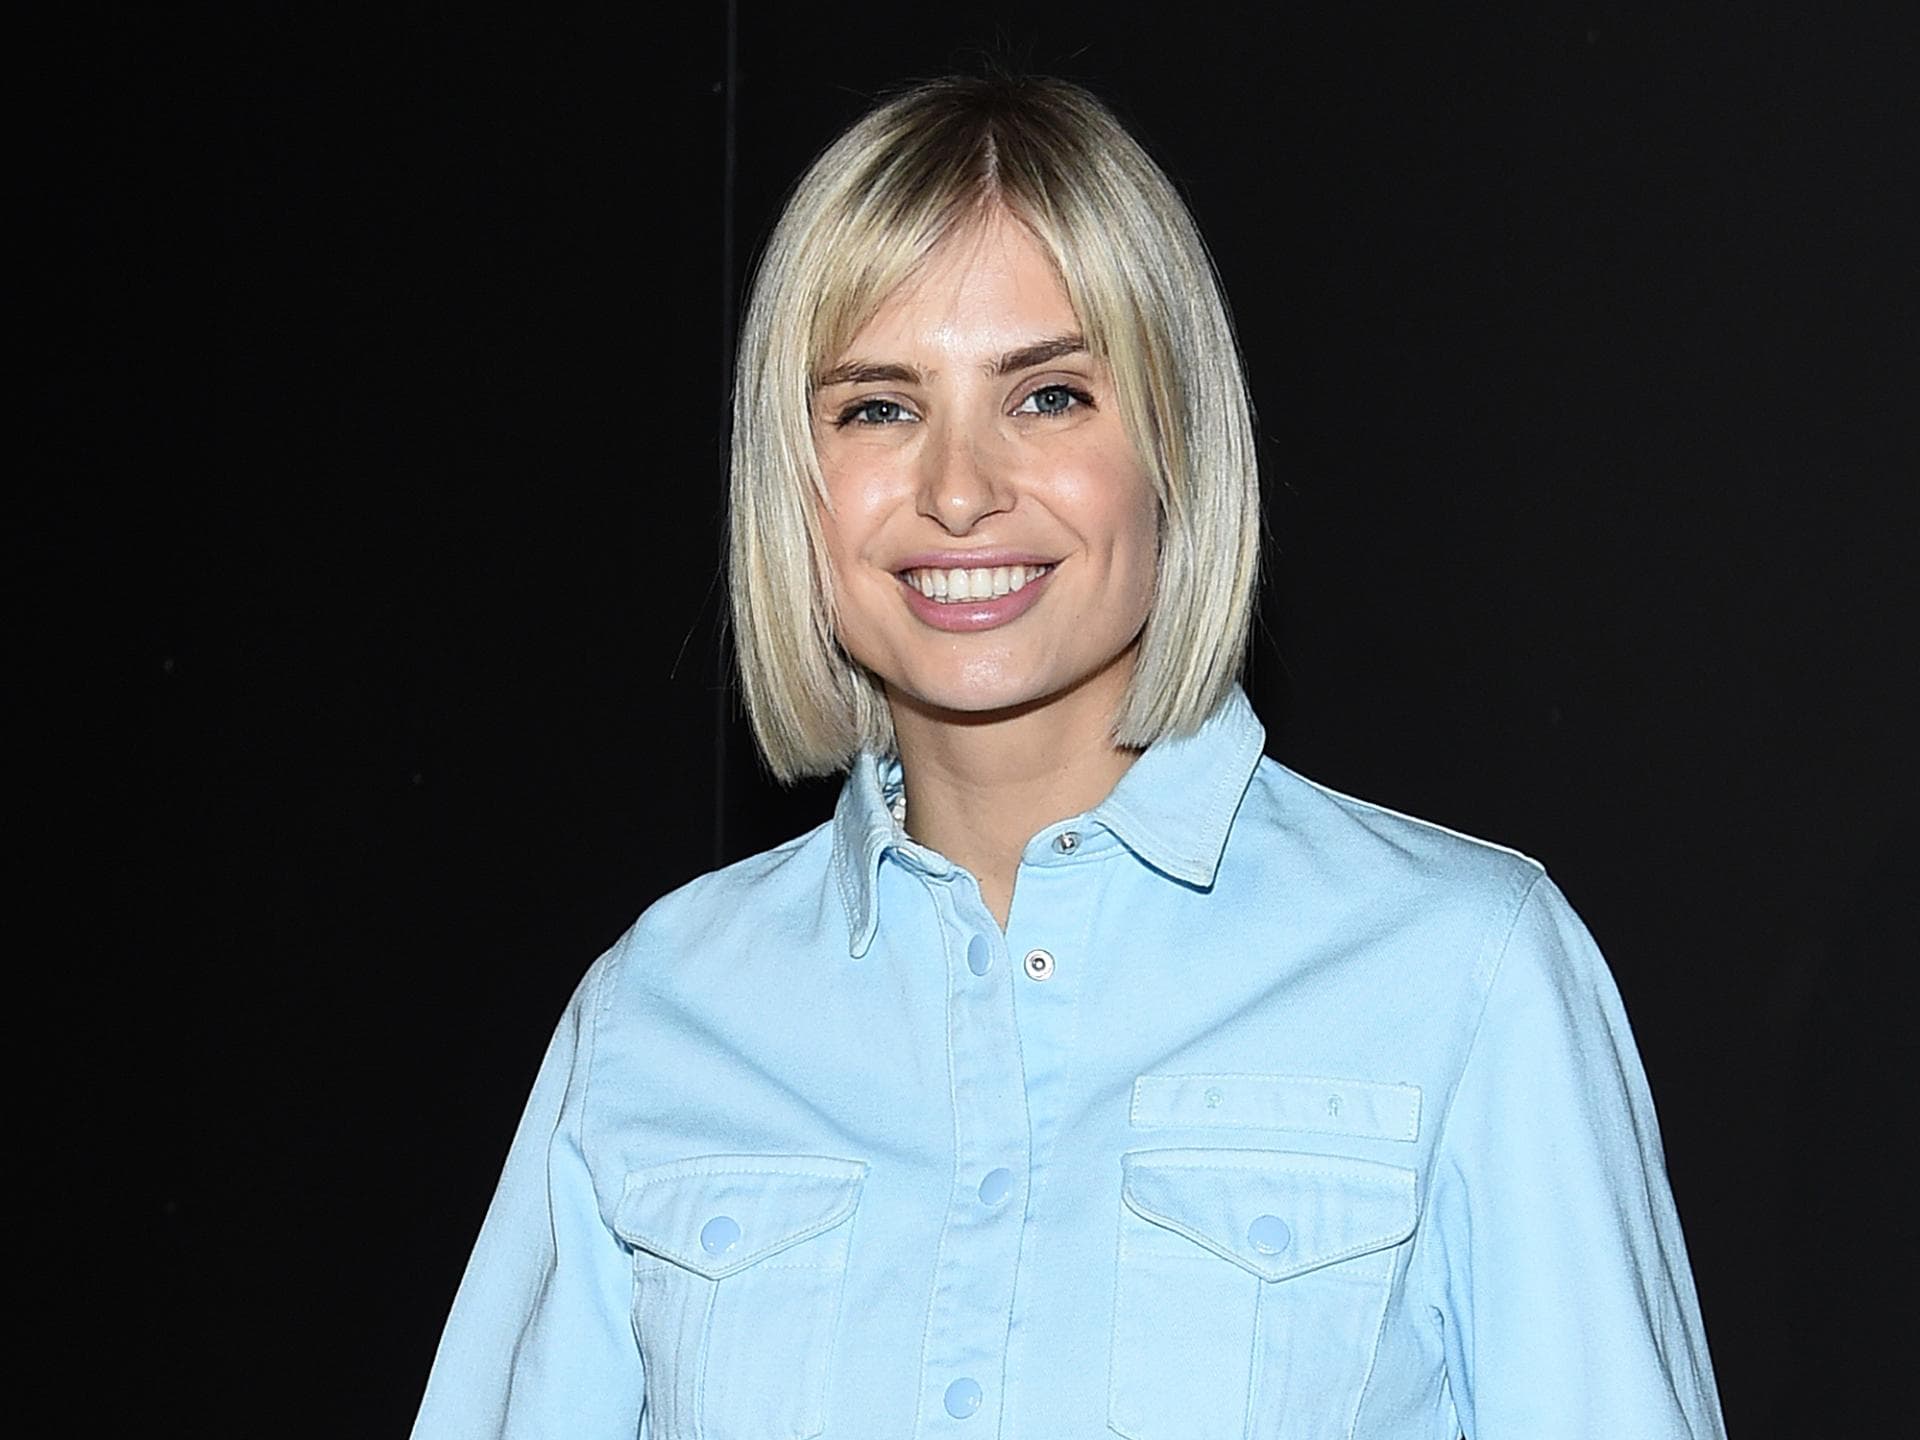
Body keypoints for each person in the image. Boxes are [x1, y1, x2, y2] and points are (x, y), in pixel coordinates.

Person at [411, 74, 1726, 1439]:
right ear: (791, 481)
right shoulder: (653, 1018)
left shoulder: (1466, 974)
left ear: (1176, 445)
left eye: (1047, 395)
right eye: (878, 408)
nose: (959, 489)